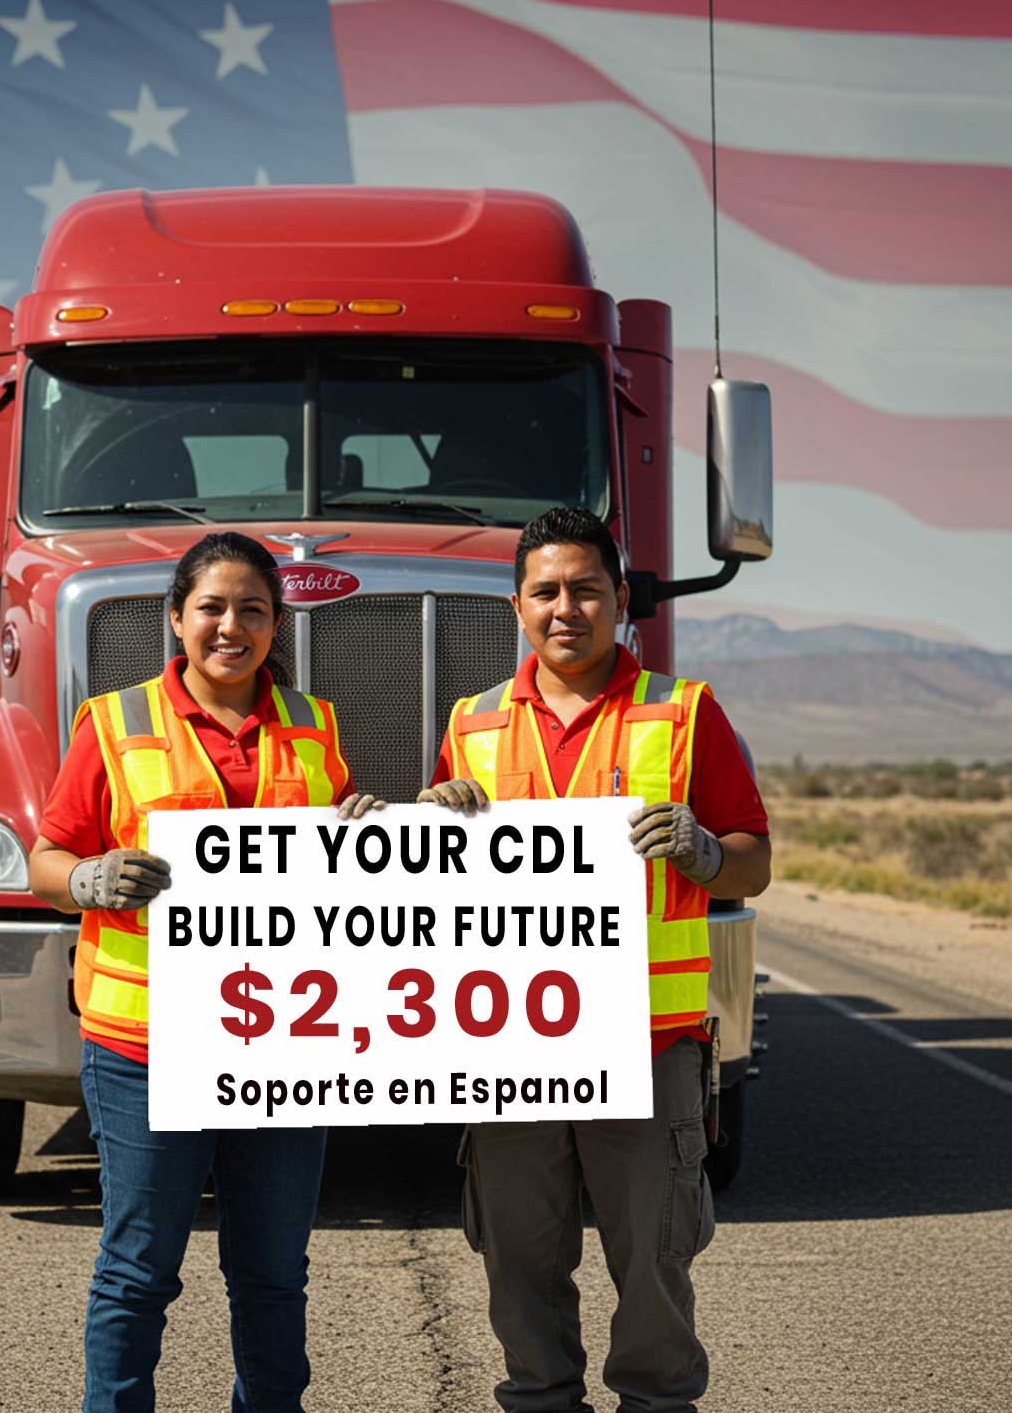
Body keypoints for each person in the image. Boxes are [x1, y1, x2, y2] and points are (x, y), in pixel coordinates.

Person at [417, 505, 770, 1413]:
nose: (564, 607)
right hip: (512, 1053)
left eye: (585, 589)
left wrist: (703, 850)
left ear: (620, 600)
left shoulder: (684, 714)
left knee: (653, 1266)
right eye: (545, 591)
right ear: (517, 606)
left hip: (646, 1048)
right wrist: (429, 824)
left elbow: (754, 857)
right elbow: (438, 895)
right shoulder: (473, 724)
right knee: (519, 1265)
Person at [29, 530, 381, 1413]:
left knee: (271, 1271)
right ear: (177, 619)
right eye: (212, 608)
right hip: (145, 1043)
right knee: (139, 1267)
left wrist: (368, 827)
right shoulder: (113, 723)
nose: (232, 627)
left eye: (253, 611)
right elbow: (46, 857)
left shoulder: (314, 726)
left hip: (285, 1045)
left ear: (276, 625)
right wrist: (88, 879)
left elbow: (331, 860)